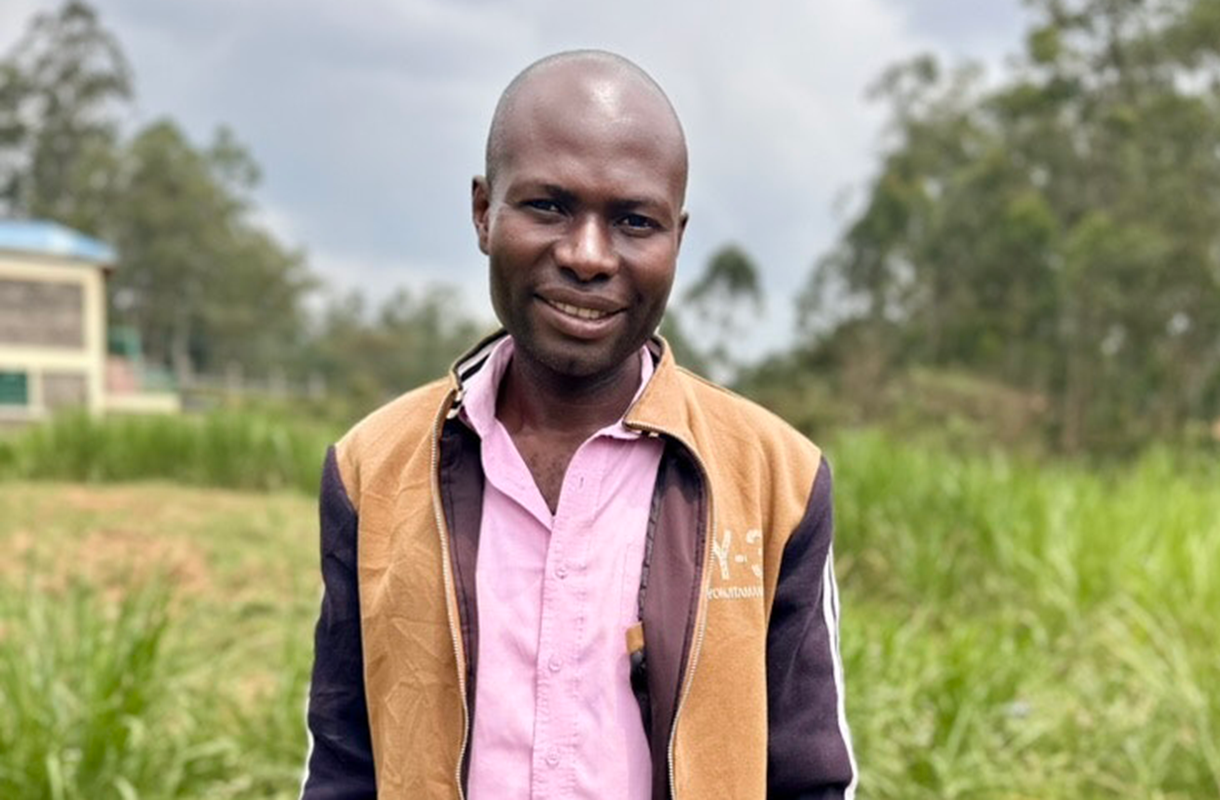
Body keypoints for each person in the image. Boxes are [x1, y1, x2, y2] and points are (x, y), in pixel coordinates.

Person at [299, 50, 856, 800]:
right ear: (482, 213)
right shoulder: (374, 469)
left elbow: (809, 777)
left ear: (676, 240)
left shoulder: (775, 479)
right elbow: (343, 767)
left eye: (633, 220)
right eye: (548, 206)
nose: (588, 256)